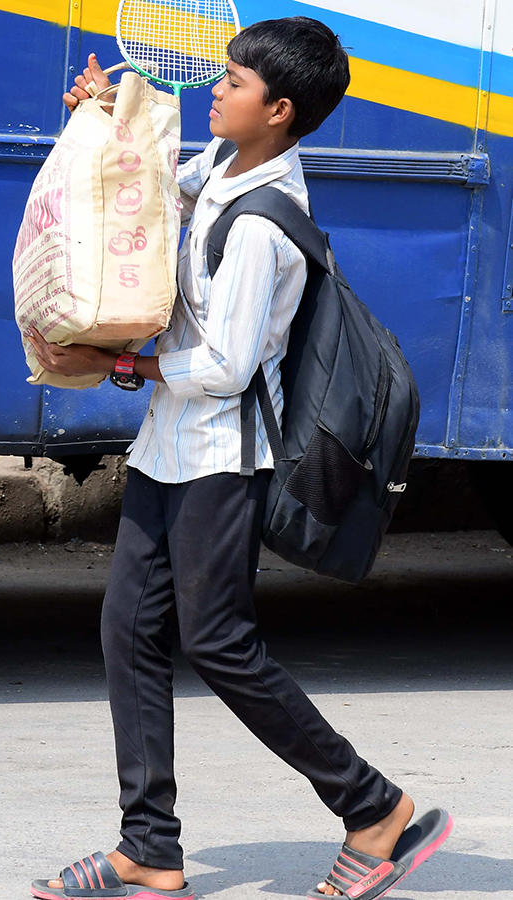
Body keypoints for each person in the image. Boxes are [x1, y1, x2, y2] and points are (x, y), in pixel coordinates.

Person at [27, 17, 451, 900]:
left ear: (281, 109)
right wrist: (105, 117)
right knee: (129, 631)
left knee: (217, 639)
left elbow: (223, 368)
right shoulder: (220, 168)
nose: (214, 90)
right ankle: (149, 846)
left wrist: (130, 365)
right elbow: (141, 189)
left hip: (224, 454)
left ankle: (375, 807)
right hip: (167, 450)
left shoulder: (263, 224)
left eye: (232, 82)